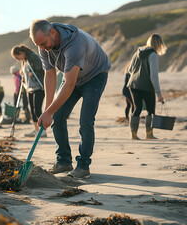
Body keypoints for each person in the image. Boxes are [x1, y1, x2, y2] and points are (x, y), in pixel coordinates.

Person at [30, 20, 111, 179]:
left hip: (95, 76)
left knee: (86, 121)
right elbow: (50, 75)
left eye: (43, 43)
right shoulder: (44, 46)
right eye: (38, 45)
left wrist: (49, 112)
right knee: (57, 117)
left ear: (52, 33)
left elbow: (69, 84)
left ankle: (83, 166)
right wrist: (47, 111)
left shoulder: (75, 44)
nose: (41, 48)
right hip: (70, 77)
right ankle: (64, 161)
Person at [127, 33, 166, 140]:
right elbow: (153, 76)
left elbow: (130, 70)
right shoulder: (153, 54)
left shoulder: (137, 52)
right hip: (146, 86)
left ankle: (133, 135)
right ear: (159, 44)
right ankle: (149, 134)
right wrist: (159, 93)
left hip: (133, 84)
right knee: (150, 110)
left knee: (137, 108)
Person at [11, 45, 45, 137]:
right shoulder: (24, 61)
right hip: (29, 88)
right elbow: (23, 73)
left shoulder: (33, 56)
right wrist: (23, 78)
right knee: (32, 111)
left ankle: (43, 130)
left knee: (37, 109)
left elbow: (41, 68)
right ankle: (36, 130)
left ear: (21, 53)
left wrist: (33, 72)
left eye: (17, 57)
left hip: (39, 87)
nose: (18, 60)